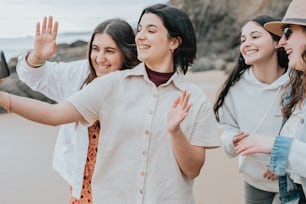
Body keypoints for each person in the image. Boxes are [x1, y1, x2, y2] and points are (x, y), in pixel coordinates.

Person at [0, 3, 221, 204]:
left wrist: (175, 132)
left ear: (174, 41)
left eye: (151, 31)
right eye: (140, 29)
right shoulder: (110, 84)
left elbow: (192, 170)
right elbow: (53, 113)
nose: (141, 36)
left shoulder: (194, 98)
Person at [16, 16, 139, 203]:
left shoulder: (140, 86)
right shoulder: (80, 74)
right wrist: (38, 56)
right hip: (83, 187)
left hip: (124, 189)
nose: (100, 58)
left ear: (126, 53)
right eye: (95, 49)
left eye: (110, 51)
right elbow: (33, 75)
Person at [234, 0, 306, 203]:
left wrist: (277, 147)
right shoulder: (297, 91)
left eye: (288, 32)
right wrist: (282, 162)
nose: (283, 42)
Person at [213, 15, 289, 204]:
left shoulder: (297, 83)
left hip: (293, 178)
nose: (247, 43)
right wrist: (233, 139)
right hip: (253, 180)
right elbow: (227, 127)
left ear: (277, 42)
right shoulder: (235, 87)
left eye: (255, 37)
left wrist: (284, 160)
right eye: (243, 39)